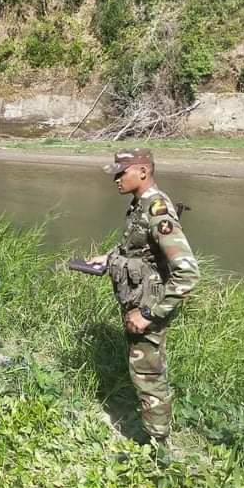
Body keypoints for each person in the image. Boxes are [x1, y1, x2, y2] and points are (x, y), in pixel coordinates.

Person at [85, 148, 199, 445]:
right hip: (138, 301)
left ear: (143, 172)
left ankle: (158, 447)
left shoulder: (157, 209)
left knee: (149, 376)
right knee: (143, 371)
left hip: (149, 307)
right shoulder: (140, 204)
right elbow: (136, 247)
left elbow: (188, 273)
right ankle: (154, 435)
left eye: (121, 173)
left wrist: (148, 314)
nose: (116, 179)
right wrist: (108, 257)